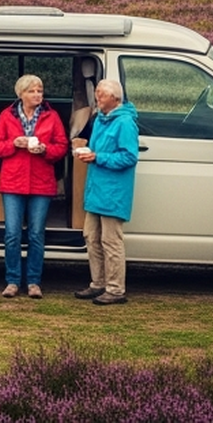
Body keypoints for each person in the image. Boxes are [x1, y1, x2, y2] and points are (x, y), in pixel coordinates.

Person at [0, 74, 68, 298]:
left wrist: (45, 150)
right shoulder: (7, 115)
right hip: (13, 182)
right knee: (12, 234)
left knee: (36, 234)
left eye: (40, 91)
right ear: (21, 94)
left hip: (41, 182)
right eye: (32, 91)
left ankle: (34, 282)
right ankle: (12, 281)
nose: (37, 95)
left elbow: (61, 146)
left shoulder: (52, 116)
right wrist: (13, 144)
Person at [73, 78, 140, 305]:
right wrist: (87, 151)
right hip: (97, 188)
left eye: (101, 95)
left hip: (113, 190)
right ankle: (98, 283)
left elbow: (130, 156)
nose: (97, 98)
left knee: (111, 240)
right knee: (92, 237)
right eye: (97, 94)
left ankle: (115, 288)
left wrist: (97, 157)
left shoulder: (125, 123)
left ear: (115, 98)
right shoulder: (101, 119)